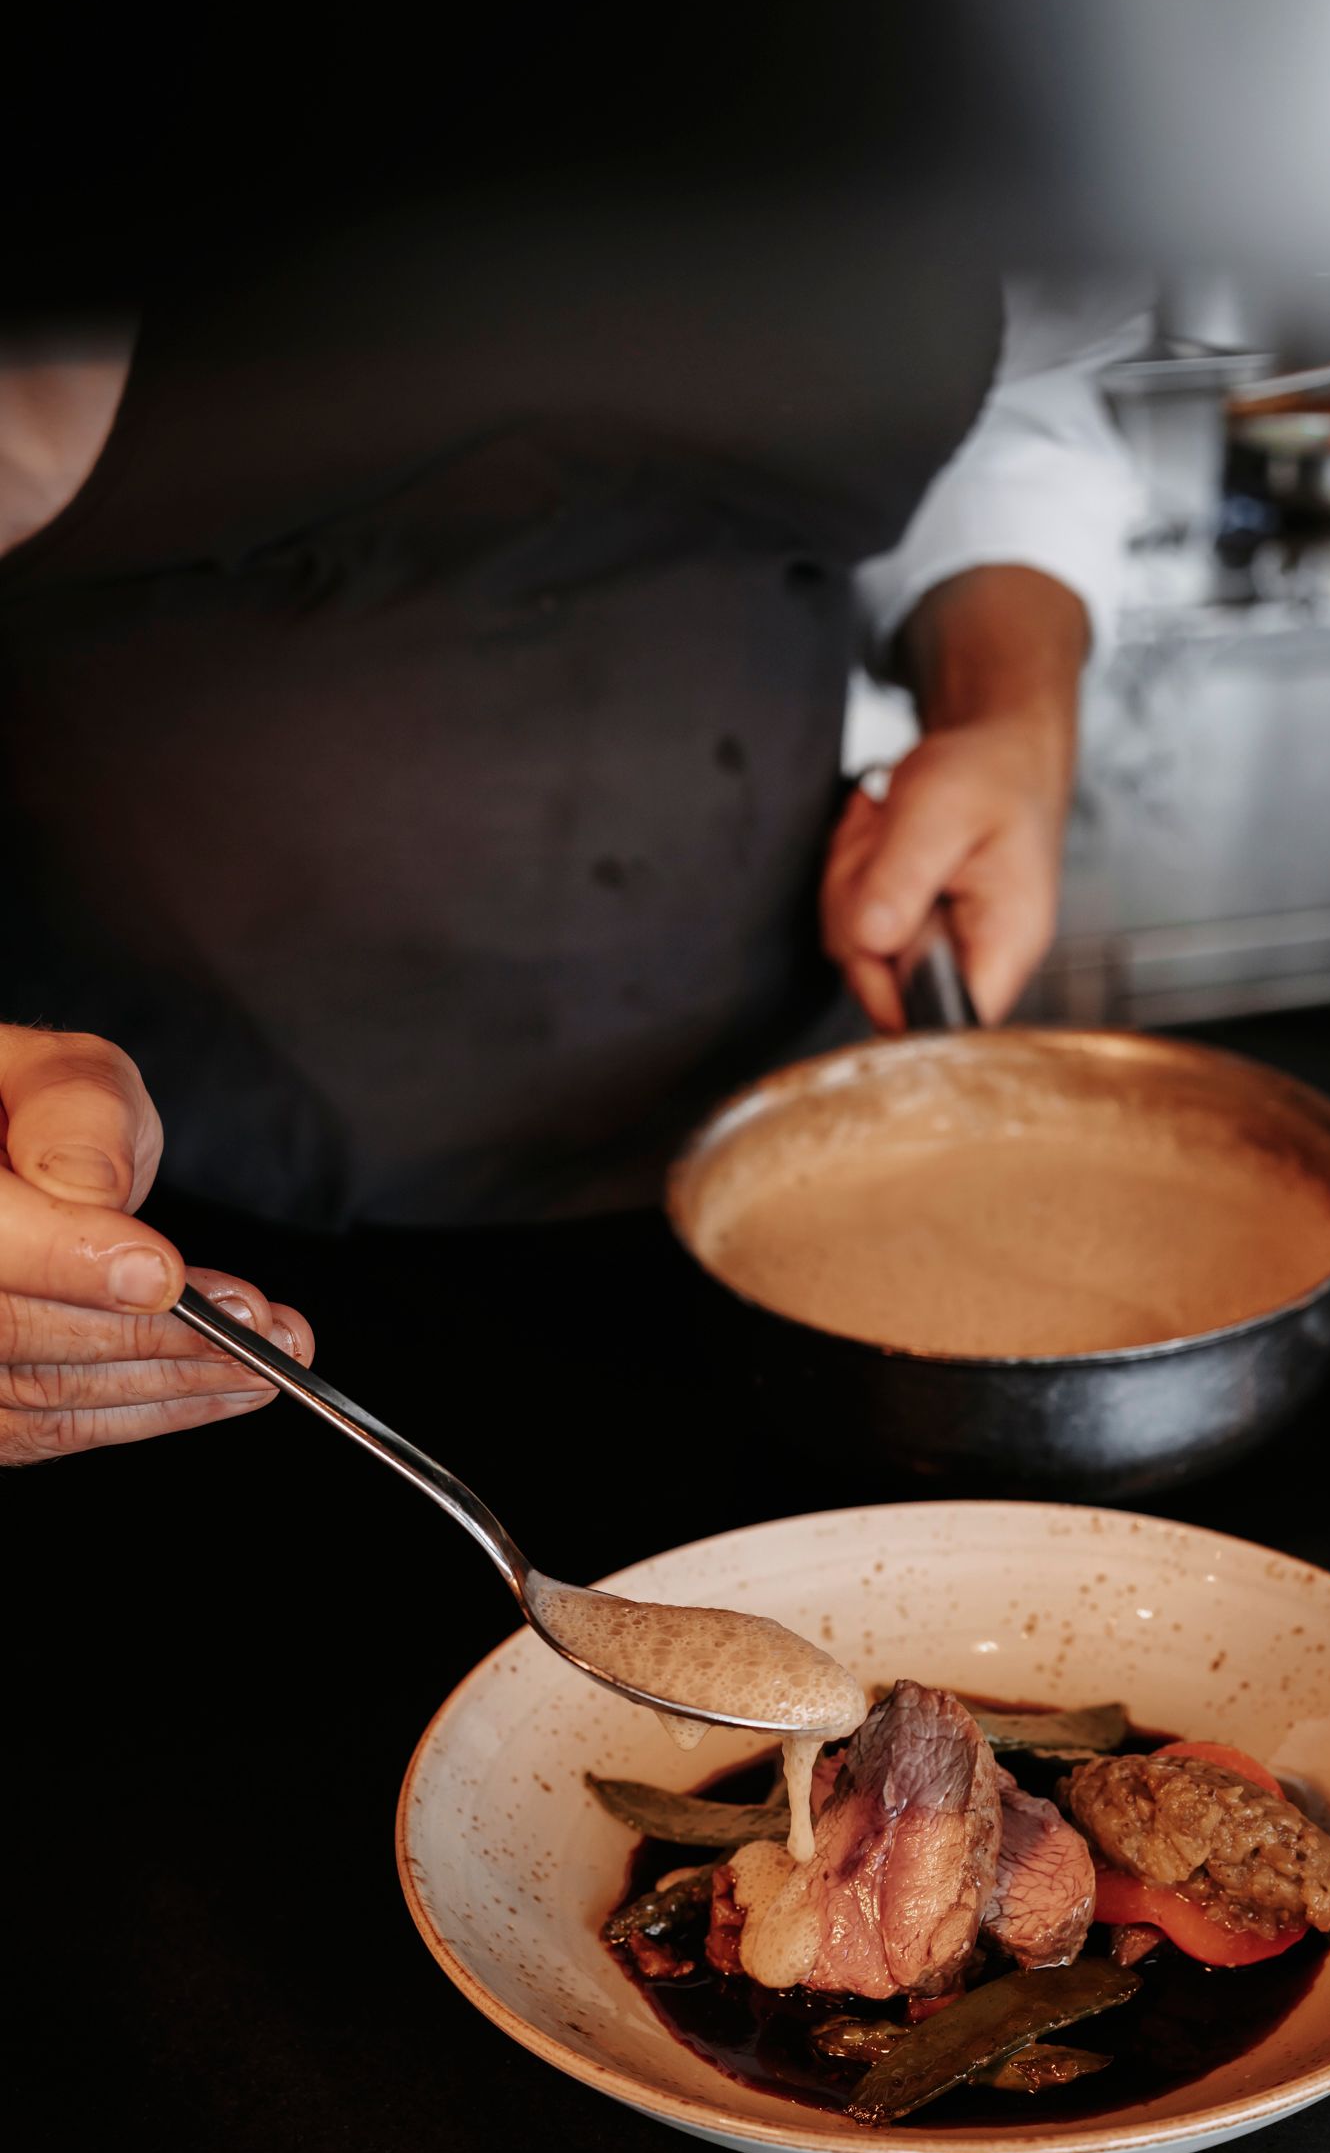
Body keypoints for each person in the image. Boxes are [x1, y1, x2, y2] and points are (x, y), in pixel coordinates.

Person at [0, 246, 1145, 1470]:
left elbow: (1002, 399)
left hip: (781, 1139)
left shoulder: (950, 69)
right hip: (150, 1198)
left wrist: (1008, 715)